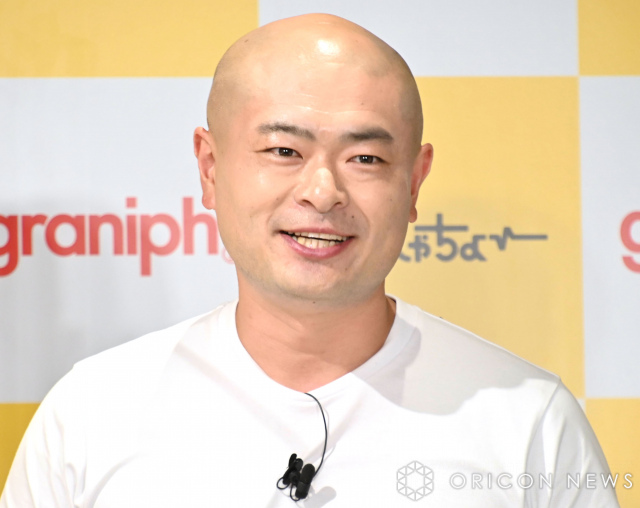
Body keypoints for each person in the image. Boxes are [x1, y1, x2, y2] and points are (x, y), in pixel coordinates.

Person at [0, 13, 620, 507]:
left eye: (365, 159)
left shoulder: (530, 422)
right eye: (283, 150)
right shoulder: (92, 412)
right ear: (210, 169)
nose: (323, 192)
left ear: (414, 182)